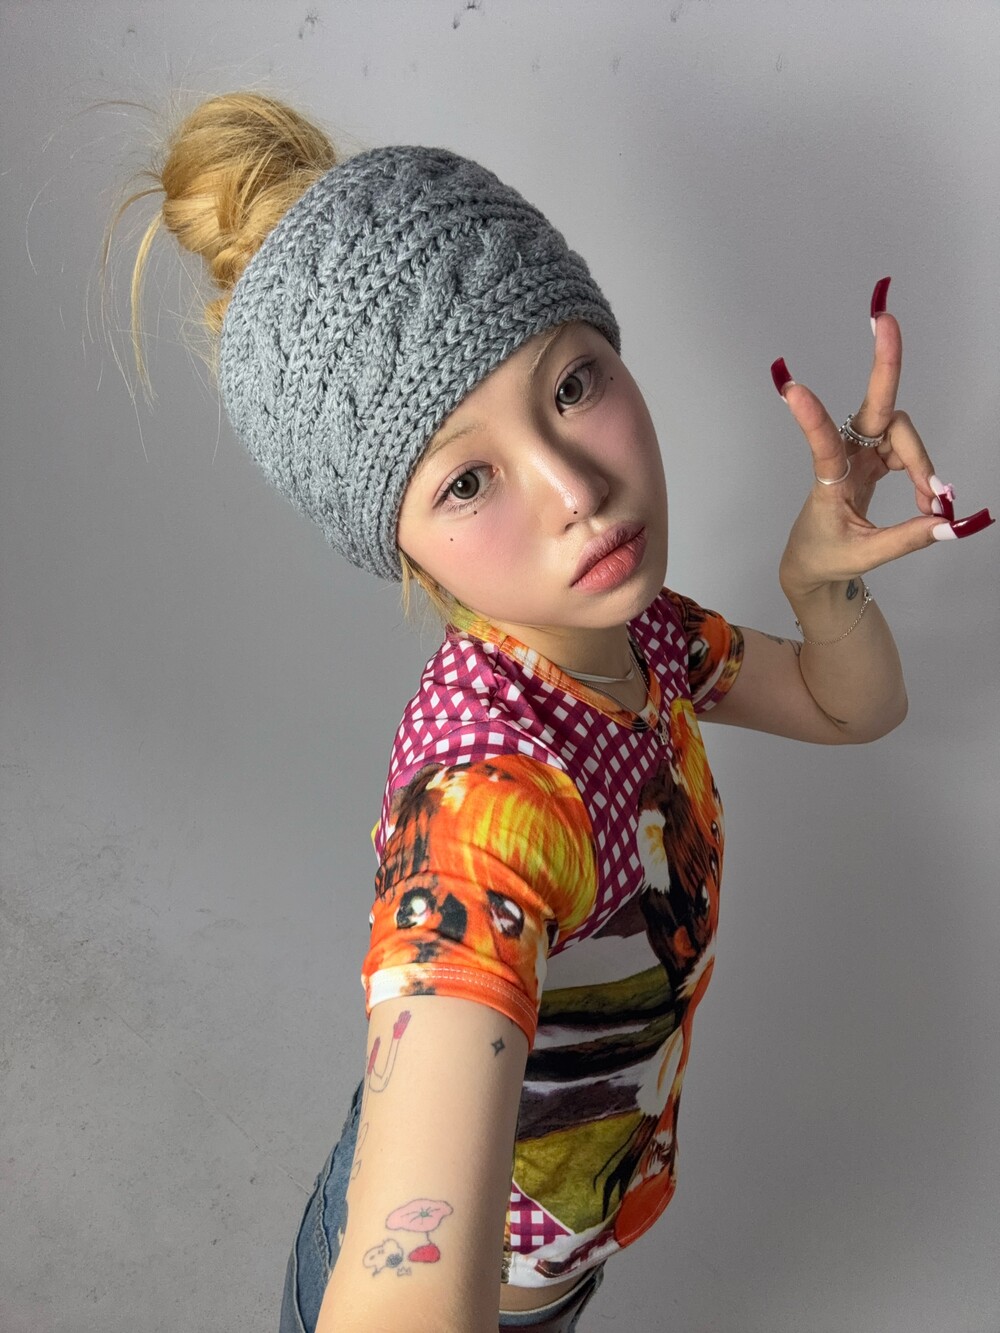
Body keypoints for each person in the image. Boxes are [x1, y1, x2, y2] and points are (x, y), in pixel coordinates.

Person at [108, 91, 993, 1333]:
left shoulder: (640, 636)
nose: (574, 487)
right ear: (402, 548)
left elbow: (851, 707)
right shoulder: (488, 801)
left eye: (571, 383)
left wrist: (819, 587)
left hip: (560, 1258)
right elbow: (401, 1285)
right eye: (467, 479)